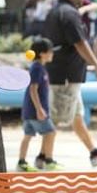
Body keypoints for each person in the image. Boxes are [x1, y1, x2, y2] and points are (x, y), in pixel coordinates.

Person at [42, 0, 97, 167]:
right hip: (64, 75)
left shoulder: (57, 11)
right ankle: (45, 158)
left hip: (65, 73)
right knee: (56, 117)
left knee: (76, 116)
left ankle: (95, 153)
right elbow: (80, 44)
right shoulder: (69, 14)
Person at [17, 37, 60, 172]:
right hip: (35, 111)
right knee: (51, 132)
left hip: (29, 111)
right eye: (50, 51)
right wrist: (39, 109)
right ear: (42, 53)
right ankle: (49, 161)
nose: (52, 54)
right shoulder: (37, 68)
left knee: (28, 135)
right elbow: (33, 89)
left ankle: (21, 162)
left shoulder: (37, 67)